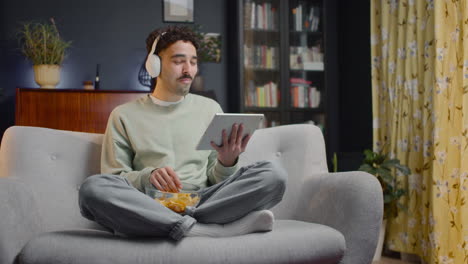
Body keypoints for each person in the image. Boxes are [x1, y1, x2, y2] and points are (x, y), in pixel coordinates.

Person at [78, 26, 287, 241]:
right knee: (93, 188)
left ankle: (173, 225)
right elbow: (114, 178)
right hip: (151, 203)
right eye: (179, 61)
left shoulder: (209, 108)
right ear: (154, 65)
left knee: (273, 175)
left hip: (204, 200)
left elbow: (217, 181)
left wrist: (226, 162)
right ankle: (203, 228)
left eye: (194, 62)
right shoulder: (123, 115)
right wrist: (147, 177)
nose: (188, 70)